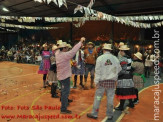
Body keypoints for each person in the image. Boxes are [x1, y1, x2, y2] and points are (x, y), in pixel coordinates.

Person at [87, 44, 121, 120]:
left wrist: (96, 82)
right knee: (110, 98)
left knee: (98, 98)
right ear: (110, 50)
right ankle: (110, 115)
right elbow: (119, 69)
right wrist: (111, 73)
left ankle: (94, 113)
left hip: (101, 83)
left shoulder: (100, 58)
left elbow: (98, 71)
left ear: (103, 50)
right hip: (111, 82)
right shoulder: (115, 59)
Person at [55, 37, 85, 114]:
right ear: (63, 48)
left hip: (60, 76)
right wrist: (80, 42)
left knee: (63, 91)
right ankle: (63, 108)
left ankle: (64, 105)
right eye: (66, 47)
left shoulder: (57, 53)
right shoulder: (65, 55)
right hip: (65, 77)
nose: (67, 48)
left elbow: (70, 51)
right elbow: (73, 51)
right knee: (65, 92)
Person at [115, 45, 136, 111]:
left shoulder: (123, 59)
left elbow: (122, 70)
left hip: (123, 77)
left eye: (120, 50)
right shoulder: (129, 58)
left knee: (123, 91)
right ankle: (131, 104)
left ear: (123, 51)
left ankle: (121, 106)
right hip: (129, 76)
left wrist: (117, 74)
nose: (120, 52)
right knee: (128, 90)